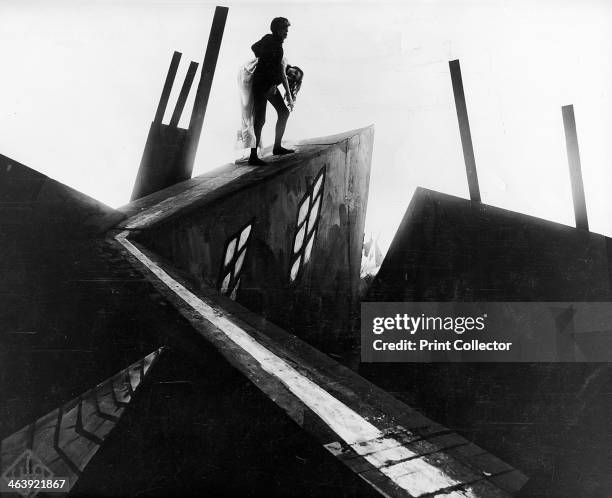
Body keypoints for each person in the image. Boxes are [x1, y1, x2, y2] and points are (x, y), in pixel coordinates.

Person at [248, 17, 295, 166]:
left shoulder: (270, 40)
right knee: (260, 120)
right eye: (283, 29)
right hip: (262, 85)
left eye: (287, 29)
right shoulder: (274, 45)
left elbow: (254, 47)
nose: (286, 32)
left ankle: (277, 147)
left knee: (283, 113)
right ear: (276, 30)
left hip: (268, 84)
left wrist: (261, 56)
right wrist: (273, 82)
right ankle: (253, 156)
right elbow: (270, 66)